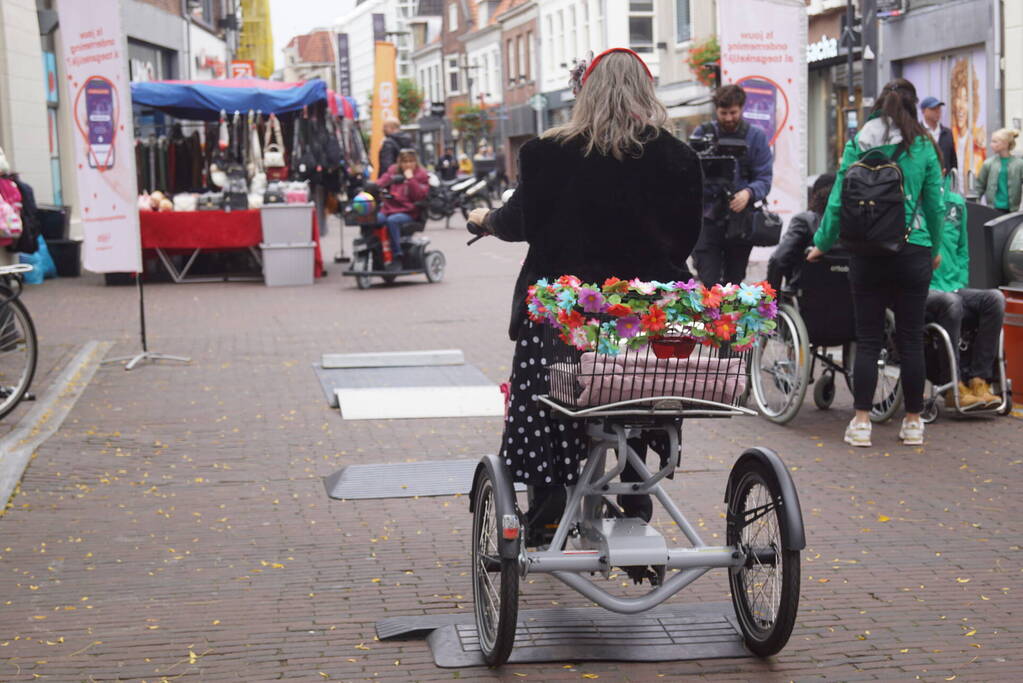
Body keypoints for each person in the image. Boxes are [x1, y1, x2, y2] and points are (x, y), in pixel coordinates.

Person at [465, 48, 703, 548]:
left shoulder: (546, 154)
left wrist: (485, 219)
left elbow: (519, 222)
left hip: (566, 318)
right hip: (644, 314)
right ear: (647, 90)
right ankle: (636, 487)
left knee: (551, 398)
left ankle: (549, 504)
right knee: (638, 390)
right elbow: (685, 239)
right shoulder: (679, 157)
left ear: (585, 91)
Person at [807, 78, 945, 448]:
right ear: (914, 107)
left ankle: (861, 422)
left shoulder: (858, 143)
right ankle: (913, 423)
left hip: (866, 252)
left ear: (878, 106)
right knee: (911, 339)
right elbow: (936, 205)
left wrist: (822, 243)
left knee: (867, 339)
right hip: (913, 249)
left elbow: (838, 198)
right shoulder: (923, 146)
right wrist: (934, 248)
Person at [927, 175, 1006, 409]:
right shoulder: (913, 203)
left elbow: (963, 250)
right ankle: (953, 386)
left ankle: (980, 380)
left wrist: (959, 281)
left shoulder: (956, 203)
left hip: (953, 286)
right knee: (951, 302)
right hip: (925, 290)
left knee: (995, 299)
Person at [690, 84, 774, 287]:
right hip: (707, 219)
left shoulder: (756, 137)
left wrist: (748, 193)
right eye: (723, 113)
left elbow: (764, 179)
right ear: (716, 110)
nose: (728, 118)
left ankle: (730, 309)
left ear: (742, 108)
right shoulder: (702, 134)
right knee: (709, 281)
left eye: (733, 112)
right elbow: (688, 174)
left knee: (734, 283)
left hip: (740, 221)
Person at [766, 173, 836, 293]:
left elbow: (777, 260)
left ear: (815, 196)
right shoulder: (856, 222)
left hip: (809, 293)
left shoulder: (804, 221)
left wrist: (772, 299)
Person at [377, 149, 429, 270]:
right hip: (388, 209)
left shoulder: (421, 175)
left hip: (408, 211)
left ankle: (397, 254)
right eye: (405, 162)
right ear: (399, 162)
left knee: (392, 221)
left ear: (416, 162)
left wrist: (411, 179)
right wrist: (372, 187)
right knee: (375, 219)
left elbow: (419, 196)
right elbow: (381, 182)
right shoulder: (393, 171)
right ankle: (377, 251)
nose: (408, 165)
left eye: (411, 161)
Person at [974, 128, 1023, 213]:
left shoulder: (1019, 164)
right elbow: (979, 187)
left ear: (1005, 144)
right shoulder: (988, 164)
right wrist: (975, 207)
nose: (991, 144)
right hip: (992, 209)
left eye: (995, 142)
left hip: (1013, 211)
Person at [920, 96, 958, 176]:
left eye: (939, 108)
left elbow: (953, 160)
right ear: (923, 111)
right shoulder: (916, 132)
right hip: (924, 179)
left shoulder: (947, 133)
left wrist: (952, 178)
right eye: (933, 109)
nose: (937, 111)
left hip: (944, 180)